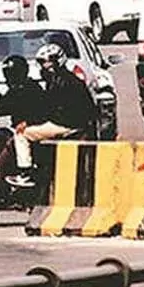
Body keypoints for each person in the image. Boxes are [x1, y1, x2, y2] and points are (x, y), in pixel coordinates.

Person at [7, 42, 97, 188]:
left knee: (21, 134)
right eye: (42, 62)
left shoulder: (60, 81)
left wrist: (28, 122)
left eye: (48, 61)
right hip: (75, 123)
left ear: (58, 60)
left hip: (67, 124)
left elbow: (49, 109)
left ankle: (25, 172)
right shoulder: (67, 79)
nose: (45, 66)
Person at [0, 55, 48, 201]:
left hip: (28, 134)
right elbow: (2, 104)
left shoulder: (22, 90)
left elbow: (3, 105)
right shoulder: (30, 86)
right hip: (35, 132)